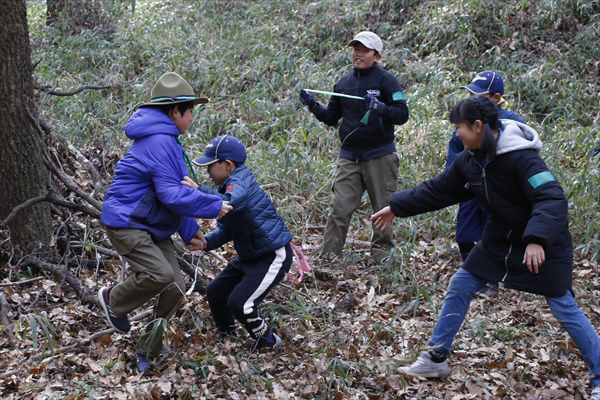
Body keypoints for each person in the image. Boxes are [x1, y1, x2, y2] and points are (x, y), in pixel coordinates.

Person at [371, 96, 600, 399]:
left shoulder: (523, 158)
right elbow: (439, 189)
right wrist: (396, 207)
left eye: (459, 128)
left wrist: (536, 239)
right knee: (461, 283)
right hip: (500, 239)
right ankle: (435, 359)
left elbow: (551, 199)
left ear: (478, 126)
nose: (456, 134)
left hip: (544, 242)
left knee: (563, 306)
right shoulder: (470, 160)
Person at [98, 72, 232, 373]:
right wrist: (213, 205)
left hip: (151, 224)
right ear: (175, 112)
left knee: (175, 285)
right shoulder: (160, 142)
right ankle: (112, 299)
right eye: (191, 111)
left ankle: (148, 349)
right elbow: (172, 195)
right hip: (128, 222)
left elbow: (176, 189)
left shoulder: (168, 141)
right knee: (159, 274)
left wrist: (192, 230)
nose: (193, 117)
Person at [298, 31, 409, 262]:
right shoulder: (343, 83)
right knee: (339, 209)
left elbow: (402, 114)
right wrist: (313, 106)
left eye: (364, 50)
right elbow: (331, 117)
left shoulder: (386, 81)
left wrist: (380, 108)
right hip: (349, 157)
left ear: (376, 56)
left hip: (380, 156)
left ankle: (382, 262)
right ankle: (328, 260)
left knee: (382, 210)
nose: (358, 54)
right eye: (355, 49)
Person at [181, 135, 293, 350]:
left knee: (241, 303)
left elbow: (232, 201)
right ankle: (227, 336)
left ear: (228, 165)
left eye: (210, 166)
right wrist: (205, 243)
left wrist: (199, 191)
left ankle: (269, 342)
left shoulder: (240, 181)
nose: (207, 173)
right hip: (251, 256)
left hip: (272, 255)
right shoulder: (225, 188)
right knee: (215, 291)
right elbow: (225, 231)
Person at [446, 71, 526, 262]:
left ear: (496, 98)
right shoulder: (466, 120)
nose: (473, 100)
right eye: (471, 95)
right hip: (472, 187)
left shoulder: (513, 122)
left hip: (500, 191)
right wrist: (453, 180)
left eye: (479, 97)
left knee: (492, 233)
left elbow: (524, 158)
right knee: (464, 235)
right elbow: (455, 152)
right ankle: (470, 268)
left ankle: (491, 280)